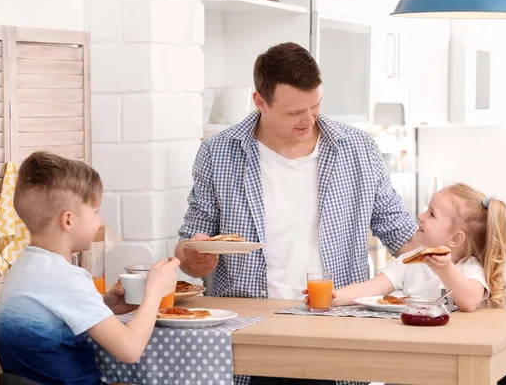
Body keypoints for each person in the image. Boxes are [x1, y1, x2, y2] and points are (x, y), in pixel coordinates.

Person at [175, 42, 423, 384]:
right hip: (250, 330)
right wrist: (193, 256)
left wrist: (456, 271)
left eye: (315, 106)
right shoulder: (218, 152)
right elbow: (190, 245)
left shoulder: (357, 148)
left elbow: (400, 232)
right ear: (260, 102)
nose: (308, 120)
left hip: (338, 323)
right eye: (295, 112)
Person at [0, 152, 180, 385]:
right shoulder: (67, 278)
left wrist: (103, 306)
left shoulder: (22, 268)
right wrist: (154, 291)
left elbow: (57, 312)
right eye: (95, 211)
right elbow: (130, 350)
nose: (100, 220)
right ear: (68, 220)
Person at [321, 184, 506, 385]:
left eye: (432, 214)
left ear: (456, 238)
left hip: (457, 365)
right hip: (417, 358)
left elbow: (469, 301)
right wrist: (335, 297)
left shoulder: (470, 267)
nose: (421, 216)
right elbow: (376, 286)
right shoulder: (410, 260)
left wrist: (445, 268)